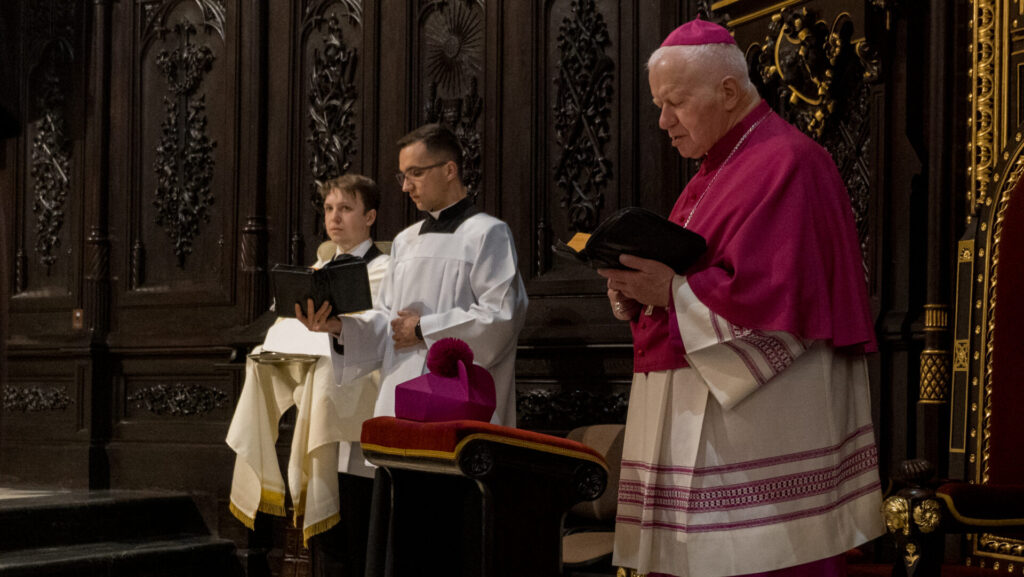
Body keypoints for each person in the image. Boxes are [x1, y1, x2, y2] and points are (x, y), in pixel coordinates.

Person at [598, 18, 884, 577]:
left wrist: (670, 292)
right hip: (704, 412)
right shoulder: (711, 172)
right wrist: (636, 291)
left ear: (727, 91)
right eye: (659, 105)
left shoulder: (790, 162)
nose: (663, 122)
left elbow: (778, 298)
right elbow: (692, 273)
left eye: (675, 103)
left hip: (759, 432)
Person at [296, 123, 528, 428]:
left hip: (460, 407)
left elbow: (500, 318)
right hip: (398, 399)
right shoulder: (405, 241)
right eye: (403, 176)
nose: (406, 186)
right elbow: (387, 320)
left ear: (449, 170)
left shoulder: (487, 233)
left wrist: (423, 329)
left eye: (416, 173)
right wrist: (340, 328)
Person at [226, 174, 389, 577]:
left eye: (345, 208)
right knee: (329, 542)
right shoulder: (316, 271)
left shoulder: (387, 270)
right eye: (329, 209)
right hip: (318, 408)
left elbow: (379, 333)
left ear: (369, 217)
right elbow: (284, 327)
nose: (334, 218)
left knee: (359, 529)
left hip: (362, 416)